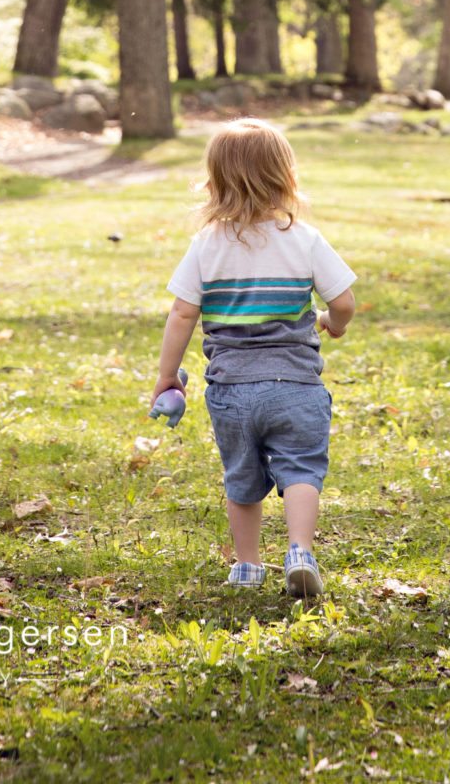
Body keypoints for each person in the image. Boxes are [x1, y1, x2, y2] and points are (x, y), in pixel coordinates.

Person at [151, 116, 356, 599]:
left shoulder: (207, 244)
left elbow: (183, 313)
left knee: (241, 477)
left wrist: (167, 376)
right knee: (301, 469)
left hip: (232, 391)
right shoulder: (304, 239)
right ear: (285, 176)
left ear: (215, 180)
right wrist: (334, 322)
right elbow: (344, 301)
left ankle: (247, 565)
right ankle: (300, 552)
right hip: (297, 388)